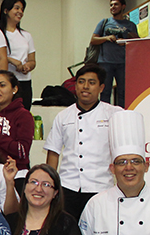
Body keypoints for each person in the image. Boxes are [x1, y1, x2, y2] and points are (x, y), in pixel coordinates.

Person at [44, 64, 121, 222]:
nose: (85, 87)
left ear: (101, 87)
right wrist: (50, 186)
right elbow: (53, 152)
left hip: (100, 187)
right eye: (81, 81)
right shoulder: (63, 116)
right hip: (68, 187)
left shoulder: (115, 114)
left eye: (91, 83)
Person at [0, 71, 33, 190]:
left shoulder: (23, 115)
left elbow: (22, 151)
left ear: (14, 89)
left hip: (16, 174)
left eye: (2, 85)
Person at [90, 0, 138, 107]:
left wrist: (126, 40)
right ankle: (104, 117)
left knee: (123, 92)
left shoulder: (130, 25)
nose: (113, 7)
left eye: (116, 4)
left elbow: (136, 42)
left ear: (123, 6)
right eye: (111, 5)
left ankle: (122, 115)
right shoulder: (105, 22)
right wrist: (107, 38)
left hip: (123, 62)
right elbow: (93, 40)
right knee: (105, 92)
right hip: (105, 62)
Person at [0, 0, 36, 109]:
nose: (20, 12)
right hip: (5, 81)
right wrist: (10, 59)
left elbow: (32, 60)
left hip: (24, 82)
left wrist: (28, 66)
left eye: (22, 9)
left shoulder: (26, 35)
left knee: (23, 112)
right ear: (6, 11)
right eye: (16, 8)